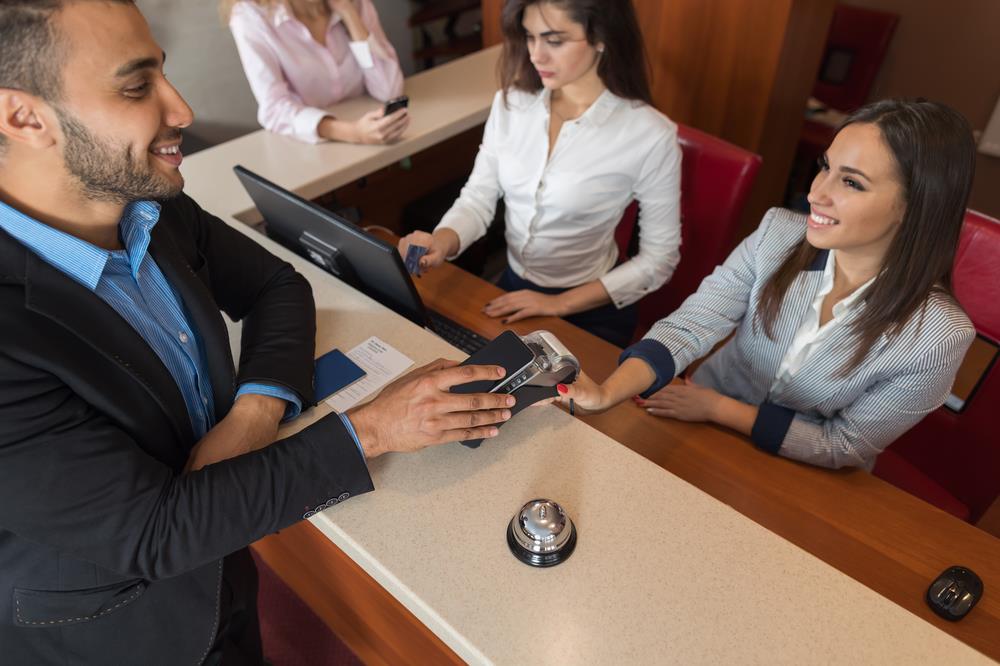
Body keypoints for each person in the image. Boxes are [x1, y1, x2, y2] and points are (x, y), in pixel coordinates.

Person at [0, 2, 512, 663]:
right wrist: (377, 427)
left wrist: (252, 415)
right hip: (123, 629)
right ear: (23, 117)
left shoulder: (150, 204)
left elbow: (278, 287)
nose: (180, 109)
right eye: (136, 86)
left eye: (163, 73)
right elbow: (155, 532)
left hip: (230, 574)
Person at [560, 99, 977, 471]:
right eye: (826, 167)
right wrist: (606, 392)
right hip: (695, 418)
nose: (817, 193)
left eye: (851, 182)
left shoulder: (938, 336)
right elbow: (693, 324)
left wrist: (719, 408)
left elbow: (844, 443)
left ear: (915, 207)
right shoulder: (777, 233)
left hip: (802, 468)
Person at [398, 0, 681, 348]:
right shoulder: (511, 103)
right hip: (513, 289)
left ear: (601, 37)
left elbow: (660, 257)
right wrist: (440, 241)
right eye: (529, 37)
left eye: (555, 40)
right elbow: (478, 197)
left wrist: (557, 304)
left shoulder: (650, 135)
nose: (536, 55)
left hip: (590, 308)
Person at [223, 0, 408, 144]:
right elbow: (274, 108)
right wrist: (353, 133)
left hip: (370, 133)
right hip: (308, 148)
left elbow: (389, 89)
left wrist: (348, 12)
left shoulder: (355, 3)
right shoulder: (250, 16)